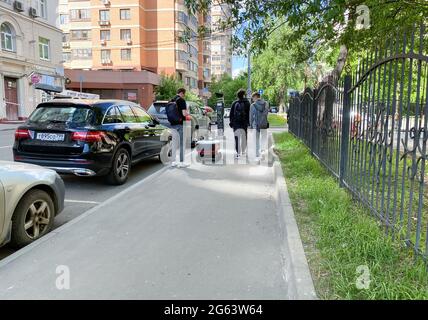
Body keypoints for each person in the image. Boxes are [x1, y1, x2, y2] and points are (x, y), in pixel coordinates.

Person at [169, 88, 190, 168]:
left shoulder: (171, 100)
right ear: (182, 93)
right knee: (182, 143)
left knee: (174, 143)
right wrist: (188, 112)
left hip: (172, 124)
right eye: (184, 94)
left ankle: (173, 162)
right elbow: (184, 114)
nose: (184, 96)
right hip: (180, 124)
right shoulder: (181, 100)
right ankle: (181, 162)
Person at [229, 89, 250, 158]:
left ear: (237, 95)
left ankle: (238, 153)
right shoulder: (247, 103)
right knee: (244, 137)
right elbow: (249, 114)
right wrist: (248, 123)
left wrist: (231, 123)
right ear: (244, 95)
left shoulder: (234, 103)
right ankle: (243, 151)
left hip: (236, 123)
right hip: (244, 123)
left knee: (237, 138)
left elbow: (231, 114)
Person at [250, 92, 269, 159]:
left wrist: (251, 125)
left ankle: (257, 155)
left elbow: (251, 117)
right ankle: (262, 151)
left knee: (256, 140)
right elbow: (266, 113)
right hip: (264, 124)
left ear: (255, 97)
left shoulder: (253, 105)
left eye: (253, 98)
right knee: (263, 138)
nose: (252, 99)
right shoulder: (266, 103)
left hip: (256, 125)